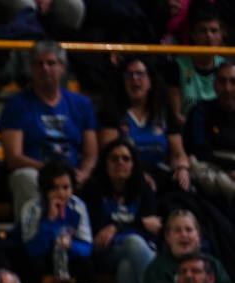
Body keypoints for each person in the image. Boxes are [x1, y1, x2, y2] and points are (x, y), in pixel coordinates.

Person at [0, 41, 99, 221]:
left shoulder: (82, 104)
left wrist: (83, 173)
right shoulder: (17, 104)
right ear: (30, 69)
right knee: (24, 177)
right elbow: (13, 158)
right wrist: (52, 172)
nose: (45, 68)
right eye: (38, 64)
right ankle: (31, 237)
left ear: (63, 68)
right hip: (35, 172)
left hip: (73, 174)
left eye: (51, 63)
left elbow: (91, 153)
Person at [81, 138, 160, 283]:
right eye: (114, 158)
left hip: (136, 252)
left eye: (126, 158)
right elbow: (99, 234)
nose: (120, 162)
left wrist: (117, 227)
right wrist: (137, 225)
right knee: (133, 241)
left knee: (127, 267)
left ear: (133, 164)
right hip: (103, 253)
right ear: (105, 164)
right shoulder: (92, 190)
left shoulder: (143, 189)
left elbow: (152, 227)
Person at [98, 56, 191, 190]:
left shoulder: (164, 112)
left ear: (150, 82)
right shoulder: (112, 114)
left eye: (140, 74)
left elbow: (178, 153)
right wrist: (137, 176)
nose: (134, 79)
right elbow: (110, 154)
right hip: (126, 178)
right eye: (129, 75)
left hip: (161, 174)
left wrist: (182, 168)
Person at [18, 159, 93, 283]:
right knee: (32, 265)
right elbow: (32, 249)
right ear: (45, 189)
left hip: (69, 255)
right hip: (42, 256)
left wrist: (70, 245)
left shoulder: (78, 206)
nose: (61, 193)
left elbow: (86, 247)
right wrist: (50, 222)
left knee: (86, 266)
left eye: (66, 187)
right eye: (55, 188)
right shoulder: (32, 208)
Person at [140, 208, 235, 283]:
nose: (184, 234)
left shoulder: (213, 264)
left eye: (189, 230)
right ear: (168, 237)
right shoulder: (156, 269)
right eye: (177, 230)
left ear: (198, 235)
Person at [182, 60, 235, 202]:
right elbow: (198, 150)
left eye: (233, 82)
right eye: (222, 81)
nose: (228, 88)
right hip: (210, 176)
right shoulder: (200, 111)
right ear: (214, 85)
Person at [166, 5, 226, 122]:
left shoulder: (226, 67)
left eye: (214, 31)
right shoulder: (176, 66)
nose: (209, 35)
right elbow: (177, 115)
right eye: (203, 30)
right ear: (193, 35)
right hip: (188, 133)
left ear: (221, 35)